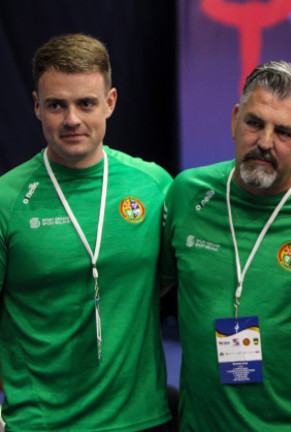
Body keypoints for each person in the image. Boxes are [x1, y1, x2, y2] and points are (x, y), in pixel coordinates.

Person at [161, 60, 291, 431]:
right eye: (254, 123)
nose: (265, 142)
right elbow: (150, 292)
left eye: (284, 132)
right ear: (236, 119)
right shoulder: (188, 193)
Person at [0, 34, 172, 431]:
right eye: (57, 104)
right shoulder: (8, 199)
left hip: (141, 419)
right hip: (39, 421)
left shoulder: (155, 186)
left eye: (86, 103)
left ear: (110, 102)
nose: (72, 119)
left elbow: (160, 283)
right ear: (36, 106)